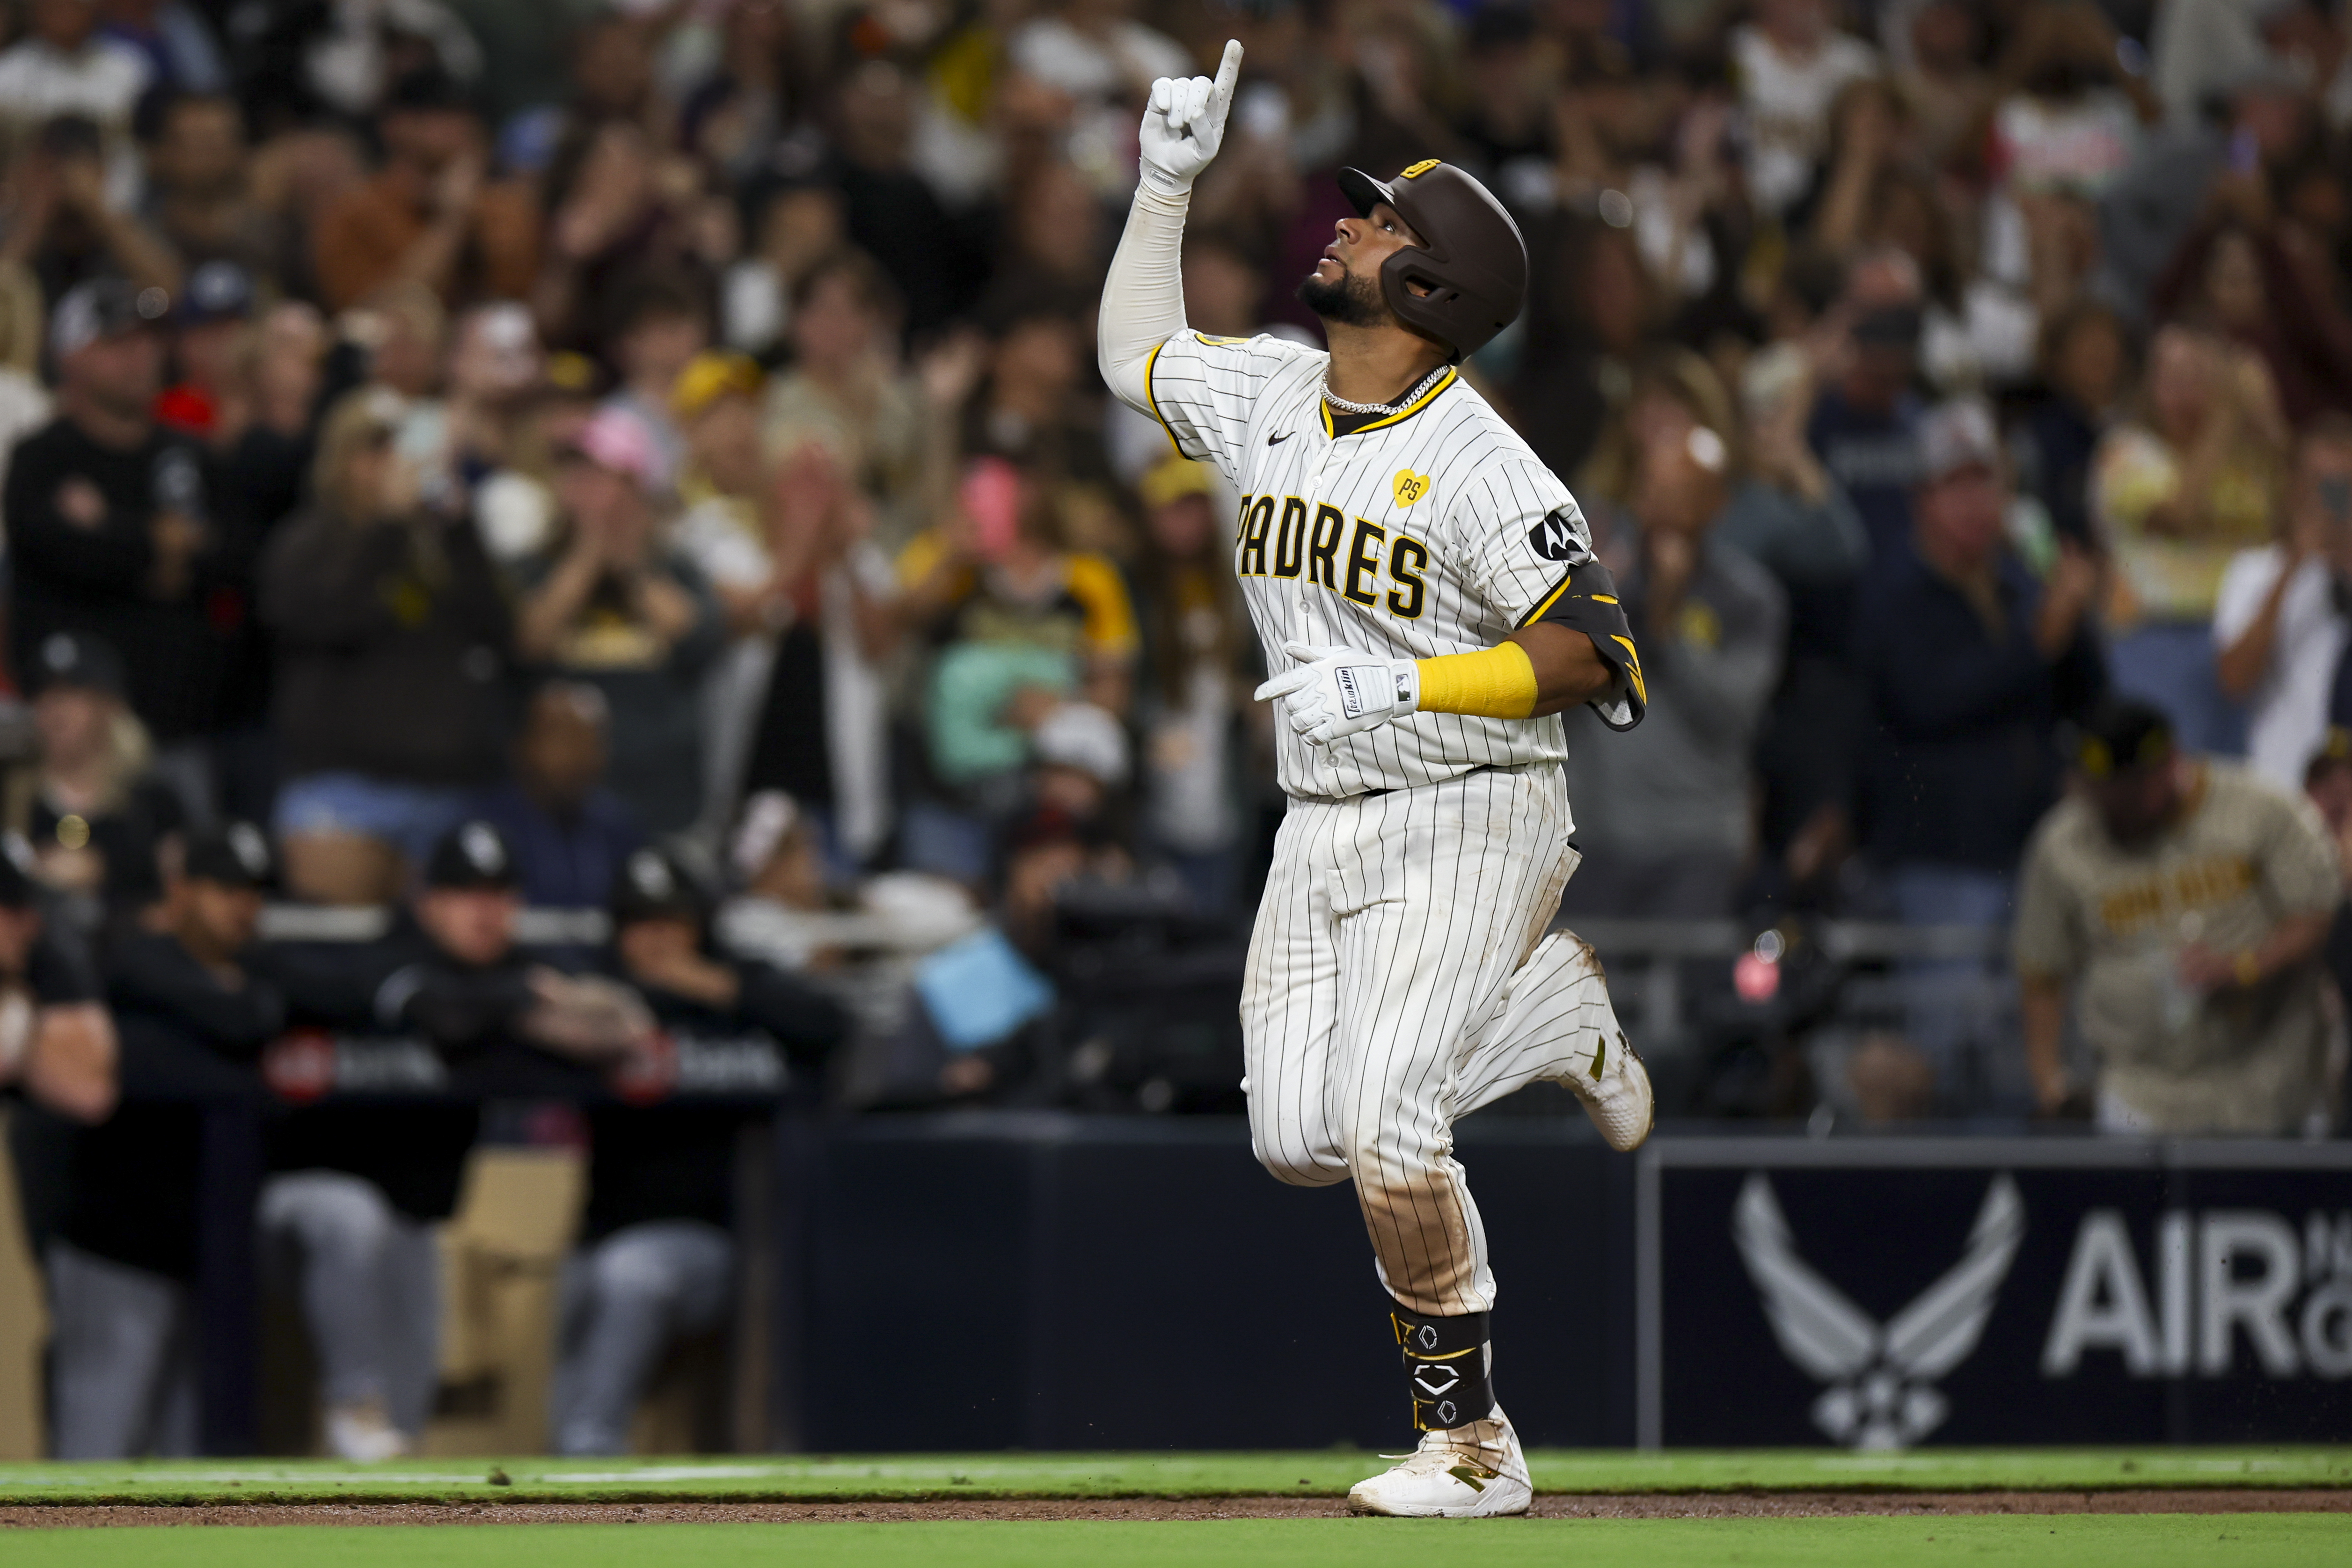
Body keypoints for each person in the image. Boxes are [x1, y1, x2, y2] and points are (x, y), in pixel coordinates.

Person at [1097, 44, 1654, 1517]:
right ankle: (1552, 1015)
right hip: (1322, 819)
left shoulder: (1487, 466)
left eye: (1382, 224)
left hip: (1472, 800)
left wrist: (1405, 677)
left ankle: (1473, 1445)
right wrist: (1163, 183)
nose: (1344, 225)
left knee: (1392, 1125)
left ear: (1431, 294)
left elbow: (1600, 657)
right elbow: (1128, 357)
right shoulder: (1278, 393)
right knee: (1300, 1137)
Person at [258, 819, 648, 1460]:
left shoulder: (511, 966)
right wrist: (529, 1003)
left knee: (403, 1429)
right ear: (429, 900)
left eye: (501, 894)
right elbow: (447, 1015)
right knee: (351, 1216)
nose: (487, 911)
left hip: (418, 1219)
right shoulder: (395, 952)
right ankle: (352, 1399)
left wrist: (528, 998)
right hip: (302, 1201)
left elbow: (622, 1025)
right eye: (468, 894)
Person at [552, 846, 847, 1454]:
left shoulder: (733, 987)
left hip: (720, 1244)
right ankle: (559, 1456)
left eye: (672, 922)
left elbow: (828, 1022)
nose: (657, 940)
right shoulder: (602, 995)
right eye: (640, 924)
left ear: (699, 925)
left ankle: (590, 1447)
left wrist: (711, 985)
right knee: (579, 1283)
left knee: (631, 1272)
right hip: (608, 1229)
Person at [44, 821, 274, 1459]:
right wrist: (240, 1018)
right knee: (98, 1452)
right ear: (181, 891)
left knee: (184, 1473)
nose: (242, 905)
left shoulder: (258, 974)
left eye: (253, 891)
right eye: (225, 888)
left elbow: (254, 1012)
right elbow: (237, 1019)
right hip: (113, 1249)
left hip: (203, 1259)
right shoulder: (133, 961)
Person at [2016, 698, 2343, 1136]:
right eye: (2104, 796)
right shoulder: (2065, 843)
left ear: (2166, 764)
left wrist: (2247, 965)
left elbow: (2319, 912)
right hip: (2142, 1090)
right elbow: (2041, 966)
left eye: (2129, 794)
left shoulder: (2260, 808)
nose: (2115, 811)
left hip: (2269, 1076)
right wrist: (2049, 1083)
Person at [261, 388, 515, 903]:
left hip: (448, 790)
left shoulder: (443, 544)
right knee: (340, 960)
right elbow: (327, 619)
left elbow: (500, 632)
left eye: (403, 449)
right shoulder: (308, 542)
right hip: (343, 792)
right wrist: (391, 527)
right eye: (375, 449)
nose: (394, 464)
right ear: (341, 460)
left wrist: (461, 526)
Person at [5, 279, 221, 799]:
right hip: (58, 753)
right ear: (71, 356)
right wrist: (160, 545)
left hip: (180, 737)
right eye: (117, 343)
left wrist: (110, 530)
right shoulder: (42, 458)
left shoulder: (189, 456)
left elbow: (230, 559)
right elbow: (65, 554)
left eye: (148, 341)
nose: (139, 357)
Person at [512, 406, 722, 836]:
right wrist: (588, 556)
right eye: (582, 478)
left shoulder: (677, 571)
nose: (594, 496)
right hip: (555, 811)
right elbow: (527, 641)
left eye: (611, 482)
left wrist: (631, 568)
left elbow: (698, 640)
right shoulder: (531, 567)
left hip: (663, 807)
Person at [311, 67, 539, 313]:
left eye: (463, 114)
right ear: (395, 125)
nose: (458, 126)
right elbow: (378, 318)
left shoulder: (505, 207)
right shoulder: (353, 212)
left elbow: (523, 302)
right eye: (440, 113)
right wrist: (450, 222)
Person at [4, 630, 187, 928]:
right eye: (43, 696)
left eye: (72, 694)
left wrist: (106, 874)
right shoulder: (11, 794)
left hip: (128, 954)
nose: (55, 711)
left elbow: (180, 897)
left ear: (110, 706)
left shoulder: (151, 800)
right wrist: (33, 875)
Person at [2213, 417, 2352, 792]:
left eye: (2341, 489)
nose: (2330, 502)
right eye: (2318, 485)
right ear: (2294, 488)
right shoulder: (2253, 572)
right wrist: (2293, 566)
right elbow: (2234, 679)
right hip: (2284, 786)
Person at [468, 680, 643, 914]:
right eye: (562, 739)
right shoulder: (481, 827)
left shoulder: (619, 829)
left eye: (592, 741)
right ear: (520, 747)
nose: (578, 755)